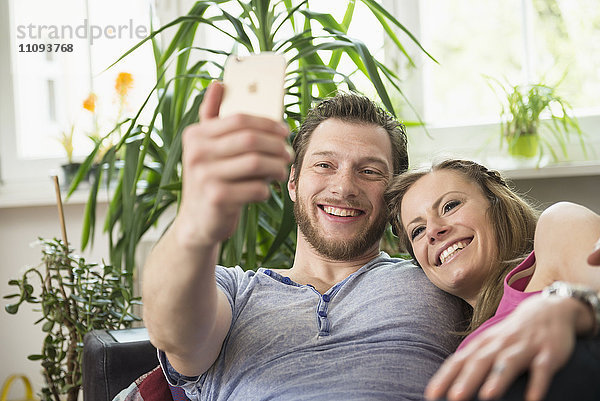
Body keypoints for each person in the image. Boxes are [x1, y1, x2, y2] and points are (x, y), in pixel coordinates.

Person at [140, 83, 466, 400]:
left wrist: (521, 320)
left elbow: (511, 278)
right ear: (293, 182)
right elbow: (173, 333)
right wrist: (194, 225)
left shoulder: (437, 277)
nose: (344, 187)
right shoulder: (235, 292)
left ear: (395, 195)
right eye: (324, 165)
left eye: (369, 172)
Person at [385, 159, 600, 401]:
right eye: (418, 231)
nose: (433, 231)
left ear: (497, 202)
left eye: (450, 206)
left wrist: (570, 306)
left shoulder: (558, 226)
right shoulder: (453, 346)